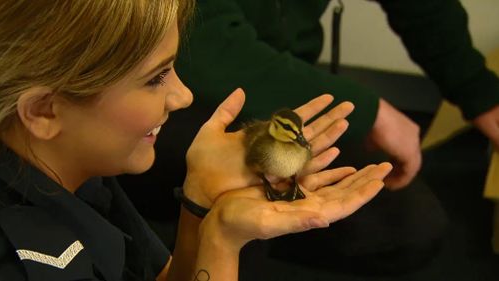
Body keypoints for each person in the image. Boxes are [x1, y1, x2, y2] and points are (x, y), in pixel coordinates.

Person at [0, 1, 393, 280]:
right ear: (43, 111)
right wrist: (221, 246)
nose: (183, 95)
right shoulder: (28, 264)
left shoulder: (71, 175)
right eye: (156, 78)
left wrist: (201, 205)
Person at [119, 0, 499, 276]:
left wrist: (477, 91)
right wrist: (371, 110)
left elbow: (424, 11)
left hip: (277, 89)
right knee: (234, 193)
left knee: (409, 224)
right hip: (183, 100)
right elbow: (203, 44)